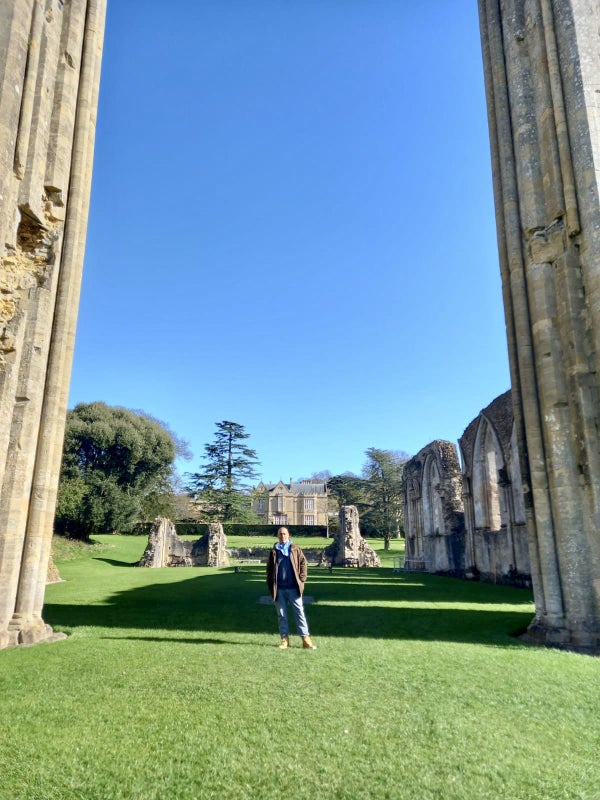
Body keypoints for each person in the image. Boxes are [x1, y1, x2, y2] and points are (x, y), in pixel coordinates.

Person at [266, 526, 317, 650]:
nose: (282, 536)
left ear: (288, 535)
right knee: (282, 615)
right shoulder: (274, 551)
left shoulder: (295, 549)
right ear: (278, 536)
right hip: (279, 589)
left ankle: (306, 639)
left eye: (284, 534)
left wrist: (302, 578)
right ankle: (285, 640)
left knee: (299, 613)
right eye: (280, 534)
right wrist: (270, 584)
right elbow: (269, 570)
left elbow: (303, 563)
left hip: (294, 587)